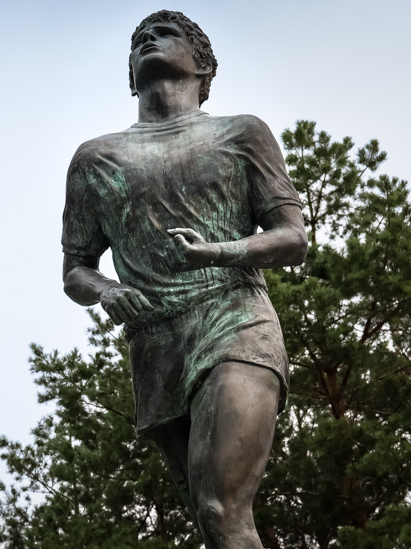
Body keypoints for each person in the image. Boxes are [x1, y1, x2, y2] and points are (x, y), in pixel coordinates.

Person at [60, 10, 307, 548]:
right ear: (131, 76)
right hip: (156, 346)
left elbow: (293, 238)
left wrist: (220, 251)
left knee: (221, 507)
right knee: (208, 514)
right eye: (138, 40)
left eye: (165, 33)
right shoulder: (95, 159)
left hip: (234, 316)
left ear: (202, 64)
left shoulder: (241, 133)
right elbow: (75, 269)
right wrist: (106, 291)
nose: (147, 38)